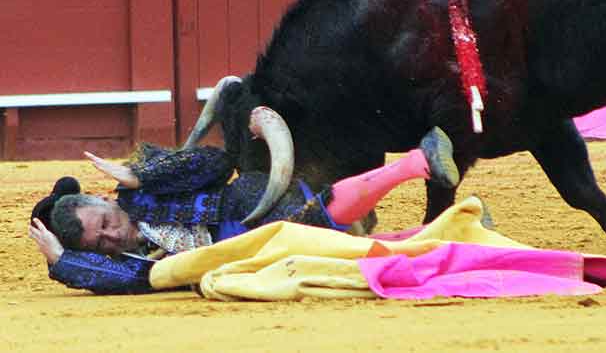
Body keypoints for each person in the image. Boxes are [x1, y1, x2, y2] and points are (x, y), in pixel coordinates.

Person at [29, 126, 459, 294]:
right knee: (336, 252)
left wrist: (143, 175)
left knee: (311, 219)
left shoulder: (138, 195)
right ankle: (443, 236)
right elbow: (119, 281)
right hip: (241, 261)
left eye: (105, 223)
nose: (112, 236)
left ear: (104, 199)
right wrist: (63, 261)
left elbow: (216, 163)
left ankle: (416, 163)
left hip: (246, 209)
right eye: (99, 242)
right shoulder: (126, 266)